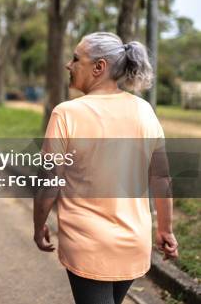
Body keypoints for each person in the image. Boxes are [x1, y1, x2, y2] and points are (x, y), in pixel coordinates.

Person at [33, 32, 178, 304]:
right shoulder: (144, 110)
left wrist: (39, 225)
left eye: (76, 59)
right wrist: (165, 229)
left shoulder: (66, 113)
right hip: (133, 241)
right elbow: (161, 176)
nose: (69, 65)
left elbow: (49, 181)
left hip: (87, 243)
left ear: (99, 67)